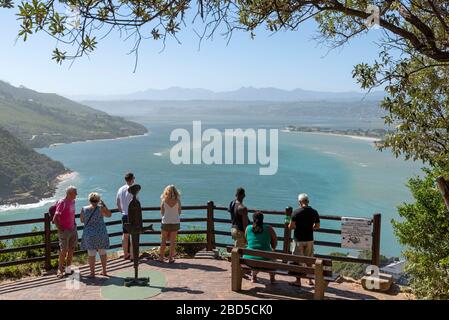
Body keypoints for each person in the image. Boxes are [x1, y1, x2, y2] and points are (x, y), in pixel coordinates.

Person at [288, 193, 320, 287]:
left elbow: (291, 226)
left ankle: (298, 281)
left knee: (297, 260)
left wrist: (290, 224)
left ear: (299, 202)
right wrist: (310, 227)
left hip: (298, 239)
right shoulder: (314, 212)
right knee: (309, 260)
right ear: (308, 201)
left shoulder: (296, 212)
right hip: (309, 239)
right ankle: (310, 280)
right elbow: (317, 226)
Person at [80, 192, 112, 278]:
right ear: (98, 200)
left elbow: (82, 220)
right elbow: (109, 215)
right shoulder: (101, 208)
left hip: (89, 234)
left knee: (91, 254)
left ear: (89, 200)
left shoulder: (84, 209)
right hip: (101, 233)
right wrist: (104, 205)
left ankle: (92, 273)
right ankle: (104, 271)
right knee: (102, 252)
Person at [243, 211, 277, 283]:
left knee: (254, 256)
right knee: (272, 257)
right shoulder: (269, 228)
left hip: (249, 260)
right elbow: (274, 244)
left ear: (253, 219)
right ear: (262, 219)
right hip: (265, 260)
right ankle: (272, 278)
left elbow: (246, 241)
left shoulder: (248, 228)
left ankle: (254, 277)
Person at [53, 186, 78, 279]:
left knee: (71, 249)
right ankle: (59, 269)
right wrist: (60, 229)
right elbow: (55, 219)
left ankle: (68, 269)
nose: (76, 194)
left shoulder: (73, 201)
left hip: (72, 228)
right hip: (65, 230)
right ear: (69, 193)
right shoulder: (62, 202)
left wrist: (74, 223)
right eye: (75, 193)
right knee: (64, 250)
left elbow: (72, 214)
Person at [159, 185, 181, 263]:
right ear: (176, 192)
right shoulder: (178, 201)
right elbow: (179, 212)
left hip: (165, 222)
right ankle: (170, 258)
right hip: (175, 222)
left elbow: (162, 212)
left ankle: (161, 257)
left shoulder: (164, 200)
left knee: (163, 241)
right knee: (172, 242)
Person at [116, 172, 135, 260]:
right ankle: (132, 255)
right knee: (133, 235)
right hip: (132, 215)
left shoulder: (120, 189)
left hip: (124, 215)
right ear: (132, 179)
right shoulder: (133, 189)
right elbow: (136, 203)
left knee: (125, 235)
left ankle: (125, 254)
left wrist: (122, 211)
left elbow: (118, 203)